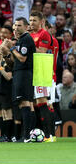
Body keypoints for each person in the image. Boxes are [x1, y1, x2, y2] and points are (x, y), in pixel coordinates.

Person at [0, 17, 36, 143]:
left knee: (25, 103)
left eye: (19, 25)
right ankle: (27, 135)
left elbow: (22, 59)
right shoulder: (21, 40)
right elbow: (14, 62)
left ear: (26, 27)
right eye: (15, 26)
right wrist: (6, 54)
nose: (16, 28)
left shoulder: (26, 39)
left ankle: (26, 136)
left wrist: (11, 48)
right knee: (25, 104)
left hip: (24, 74)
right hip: (20, 73)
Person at [29, 11, 56, 142]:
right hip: (34, 69)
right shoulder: (30, 34)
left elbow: (42, 52)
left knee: (42, 102)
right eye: (30, 20)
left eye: (34, 20)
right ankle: (44, 134)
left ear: (41, 22)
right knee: (37, 103)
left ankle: (50, 135)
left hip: (42, 69)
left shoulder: (44, 33)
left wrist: (29, 45)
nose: (31, 23)